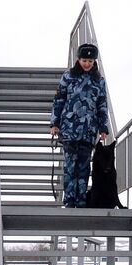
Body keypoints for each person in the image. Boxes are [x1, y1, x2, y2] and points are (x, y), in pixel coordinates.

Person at [50, 42, 110, 208]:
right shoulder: (68, 76)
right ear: (78, 59)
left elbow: (102, 105)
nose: (87, 64)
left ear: (94, 62)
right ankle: (69, 200)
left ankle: (81, 200)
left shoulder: (99, 81)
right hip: (69, 129)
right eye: (84, 60)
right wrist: (54, 123)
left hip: (88, 131)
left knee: (84, 167)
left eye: (90, 61)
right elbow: (59, 100)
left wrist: (103, 127)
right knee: (70, 166)